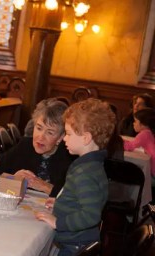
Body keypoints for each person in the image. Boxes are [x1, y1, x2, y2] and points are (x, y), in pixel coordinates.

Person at [35, 98, 116, 256]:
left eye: (69, 134)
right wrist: (62, 203)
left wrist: (58, 222)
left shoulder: (85, 173)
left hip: (76, 246)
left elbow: (91, 215)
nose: (65, 138)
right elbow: (82, 198)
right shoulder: (92, 165)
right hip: (78, 241)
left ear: (86, 138)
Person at [0, 98, 74, 197]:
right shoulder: (25, 146)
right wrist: (9, 179)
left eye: (50, 132)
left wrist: (46, 187)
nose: (40, 137)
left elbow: (75, 197)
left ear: (61, 137)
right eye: (39, 128)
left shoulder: (70, 156)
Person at [123, 108, 155, 178]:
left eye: (135, 121)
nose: (133, 123)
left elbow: (128, 147)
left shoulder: (144, 134)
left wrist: (119, 140)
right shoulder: (149, 132)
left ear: (143, 124)